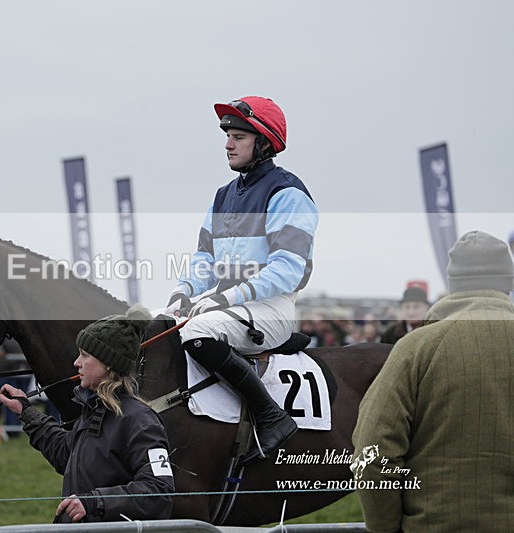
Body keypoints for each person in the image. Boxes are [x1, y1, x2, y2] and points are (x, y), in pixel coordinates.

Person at [164, 95, 318, 462]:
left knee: (196, 331)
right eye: (227, 136)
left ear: (263, 143)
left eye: (239, 137)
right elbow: (204, 258)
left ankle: (270, 416)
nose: (228, 145)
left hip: (270, 308)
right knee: (155, 323)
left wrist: (226, 297)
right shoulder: (223, 196)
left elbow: (287, 269)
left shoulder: (288, 193)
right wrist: (182, 293)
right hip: (226, 305)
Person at [352, 230, 514, 532]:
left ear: (453, 285)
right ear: (508, 282)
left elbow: (372, 450)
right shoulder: (415, 346)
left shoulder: (416, 347)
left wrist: (385, 526)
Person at [0, 305, 174, 523]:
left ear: (108, 363)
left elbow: (159, 490)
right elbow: (66, 454)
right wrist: (26, 411)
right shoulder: (94, 410)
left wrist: (95, 503)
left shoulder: (140, 420)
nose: (76, 363)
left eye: (85, 355)